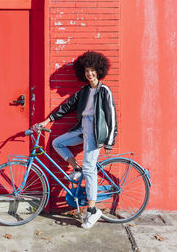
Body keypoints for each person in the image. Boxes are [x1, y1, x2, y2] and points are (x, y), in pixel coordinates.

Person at [37, 51, 117, 229]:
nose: (89, 73)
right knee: (58, 142)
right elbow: (66, 107)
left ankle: (92, 209)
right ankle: (76, 168)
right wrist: (47, 120)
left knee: (90, 169)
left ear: (98, 71)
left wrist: (110, 141)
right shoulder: (84, 91)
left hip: (96, 134)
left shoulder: (104, 91)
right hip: (83, 130)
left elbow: (111, 116)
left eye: (92, 70)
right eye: (87, 70)